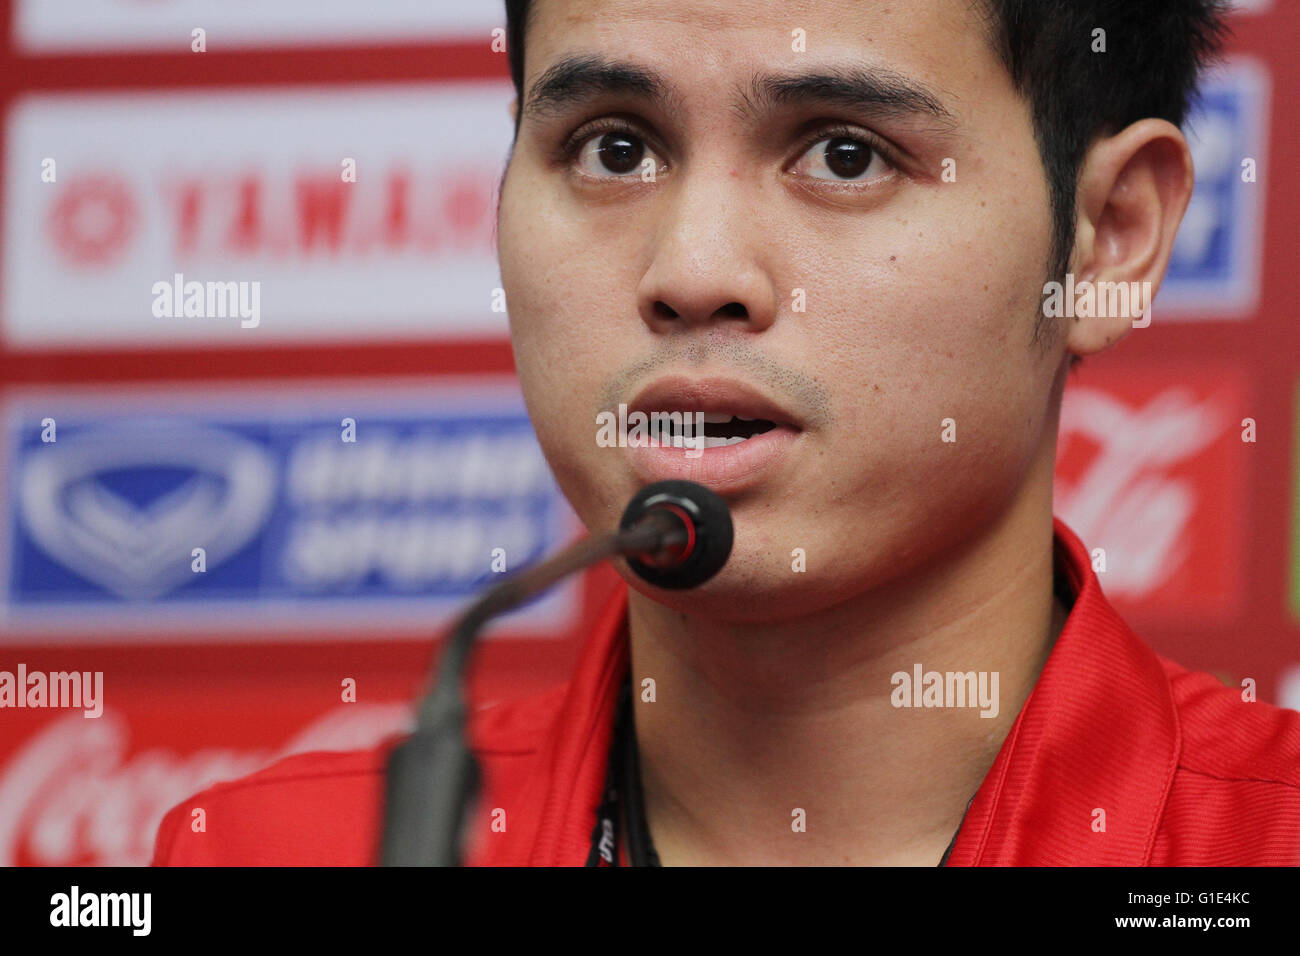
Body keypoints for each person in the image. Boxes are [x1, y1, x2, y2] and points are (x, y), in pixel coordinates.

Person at [153, 0, 1300, 867]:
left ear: (1107, 239)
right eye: (614, 147)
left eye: (844, 153)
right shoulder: (270, 848)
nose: (692, 271)